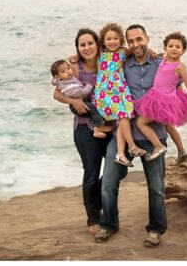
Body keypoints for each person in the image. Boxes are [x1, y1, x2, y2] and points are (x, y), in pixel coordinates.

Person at [95, 24, 169, 248]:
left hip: (152, 133)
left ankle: (155, 230)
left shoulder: (160, 63)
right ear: (127, 43)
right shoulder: (122, 62)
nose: (136, 44)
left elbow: (176, 86)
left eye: (140, 39)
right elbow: (97, 67)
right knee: (108, 182)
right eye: (132, 41)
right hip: (124, 133)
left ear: (148, 38)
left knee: (156, 187)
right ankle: (108, 223)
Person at [52, 28, 113, 237]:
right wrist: (74, 101)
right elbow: (56, 93)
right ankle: (93, 217)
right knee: (90, 174)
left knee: (117, 170)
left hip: (112, 126)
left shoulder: (108, 62)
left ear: (98, 44)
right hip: (85, 129)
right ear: (78, 48)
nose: (86, 47)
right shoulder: (75, 68)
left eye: (90, 43)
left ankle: (98, 197)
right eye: (82, 44)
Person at [135, 32, 187, 161]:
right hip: (156, 97)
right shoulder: (164, 58)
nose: (174, 49)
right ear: (165, 48)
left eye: (178, 47)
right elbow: (154, 53)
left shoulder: (180, 67)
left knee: (141, 122)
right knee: (169, 126)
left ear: (183, 51)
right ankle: (181, 151)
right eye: (170, 46)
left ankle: (158, 146)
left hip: (163, 100)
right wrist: (152, 52)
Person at [94, 23, 148, 167]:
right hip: (105, 93)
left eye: (115, 38)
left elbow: (138, 50)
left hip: (120, 91)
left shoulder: (124, 52)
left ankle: (120, 154)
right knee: (123, 116)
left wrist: (153, 53)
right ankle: (132, 147)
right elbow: (83, 54)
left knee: (123, 119)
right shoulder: (100, 53)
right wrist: (74, 57)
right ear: (103, 41)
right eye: (109, 39)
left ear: (121, 40)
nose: (112, 42)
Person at [51, 59, 110, 138]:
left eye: (68, 69)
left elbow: (54, 82)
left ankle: (97, 129)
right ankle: (99, 127)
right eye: (63, 72)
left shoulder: (61, 80)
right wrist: (90, 85)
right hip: (81, 105)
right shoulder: (69, 86)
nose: (68, 71)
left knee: (93, 113)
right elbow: (81, 93)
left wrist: (55, 80)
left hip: (85, 103)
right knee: (94, 110)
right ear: (57, 76)